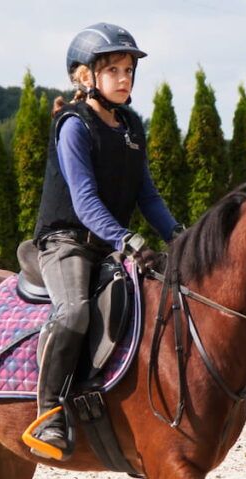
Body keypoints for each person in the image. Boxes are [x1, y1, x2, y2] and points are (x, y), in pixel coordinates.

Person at [30, 22, 182, 455]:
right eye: (113, 70)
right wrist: (128, 239)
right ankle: (49, 412)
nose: (123, 78)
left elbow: (147, 196)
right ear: (85, 77)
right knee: (76, 311)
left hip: (112, 243)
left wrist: (178, 235)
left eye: (129, 70)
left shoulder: (131, 126)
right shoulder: (73, 126)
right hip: (67, 242)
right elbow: (85, 202)